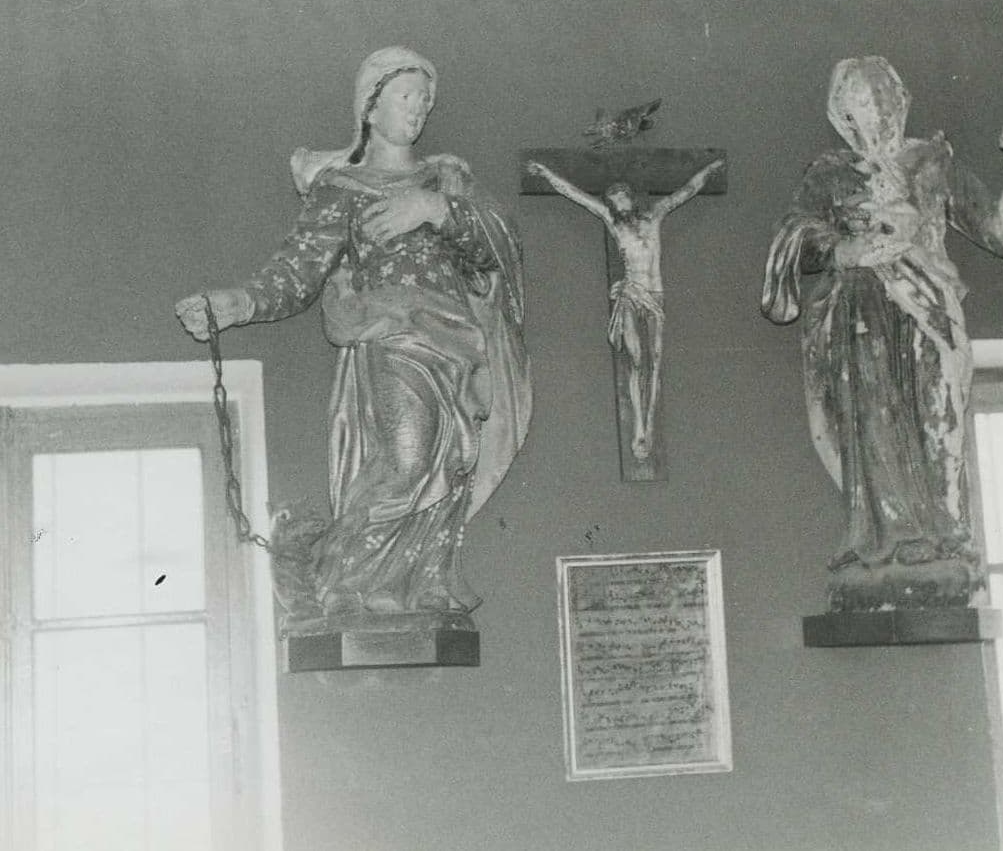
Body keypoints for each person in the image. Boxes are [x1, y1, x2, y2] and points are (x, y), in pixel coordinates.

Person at [176, 47, 531, 623]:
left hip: (458, 343)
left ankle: (417, 584)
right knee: (409, 459)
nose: (417, 109)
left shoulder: (445, 180)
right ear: (370, 106)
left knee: (451, 462)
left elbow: (500, 245)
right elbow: (299, 270)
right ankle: (339, 574)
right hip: (392, 335)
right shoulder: (342, 188)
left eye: (425, 100)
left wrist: (435, 209)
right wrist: (238, 303)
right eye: (405, 96)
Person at [761, 56, 1003, 610]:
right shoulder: (829, 174)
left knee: (937, 418)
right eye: (861, 102)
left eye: (884, 97)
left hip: (928, 310)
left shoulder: (933, 163)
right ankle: (880, 542)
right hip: (859, 315)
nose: (876, 111)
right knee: (871, 419)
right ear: (843, 113)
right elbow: (794, 233)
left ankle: (943, 539)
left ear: (901, 100)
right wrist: (843, 249)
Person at [525, 158, 724, 460]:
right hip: (631, 293)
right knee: (637, 359)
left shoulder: (655, 215)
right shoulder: (613, 222)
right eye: (613, 201)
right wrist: (546, 173)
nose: (618, 204)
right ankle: (638, 427)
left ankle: (650, 425)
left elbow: (686, 190)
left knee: (656, 361)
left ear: (631, 198)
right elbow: (576, 194)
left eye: (621, 198)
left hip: (655, 295)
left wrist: (709, 170)